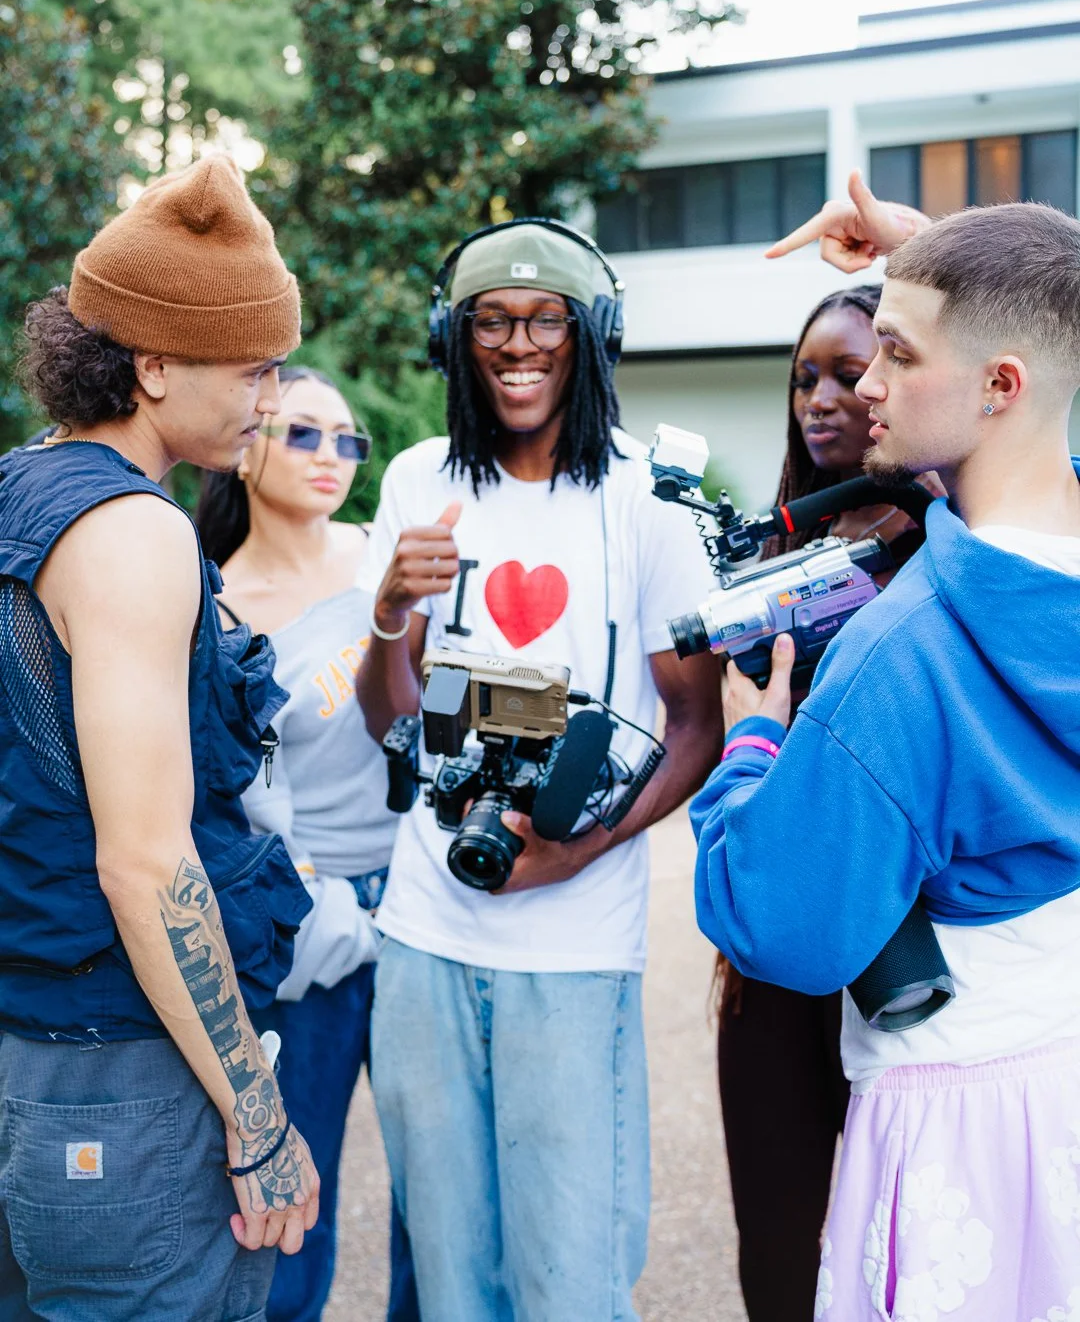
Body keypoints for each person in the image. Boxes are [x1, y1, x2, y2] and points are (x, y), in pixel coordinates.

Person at [693, 181, 1080, 1319]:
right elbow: (1049, 353)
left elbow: (783, 926)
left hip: (956, 1124)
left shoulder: (894, 659)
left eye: (897, 353)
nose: (864, 382)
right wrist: (958, 267)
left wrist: (755, 744)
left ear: (999, 385)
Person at [354, 219, 724, 1321]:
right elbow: (392, 721)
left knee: (571, 1279)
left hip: (573, 948)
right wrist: (388, 618)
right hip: (423, 929)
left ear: (594, 334)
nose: (519, 343)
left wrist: (580, 848)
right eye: (492, 322)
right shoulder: (420, 479)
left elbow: (694, 726)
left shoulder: (648, 501)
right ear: (455, 340)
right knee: (455, 1280)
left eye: (547, 318)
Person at [0, 155, 320, 1321]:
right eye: (254, 368)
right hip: (122, 1081)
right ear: (150, 367)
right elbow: (144, 859)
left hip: (31, 1053)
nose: (272, 401)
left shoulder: (17, 494)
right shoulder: (133, 535)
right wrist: (257, 1117)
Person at [715, 281, 943, 1322]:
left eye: (850, 373)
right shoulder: (768, 556)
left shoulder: (958, 552)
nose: (822, 397)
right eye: (805, 376)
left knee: (917, 1227)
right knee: (777, 1228)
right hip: (780, 956)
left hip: (920, 945)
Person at [196, 366, 419, 1322]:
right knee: (296, 1193)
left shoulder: (388, 562)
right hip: (307, 925)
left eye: (348, 440)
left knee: (436, 1196)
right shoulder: (213, 601)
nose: (334, 456)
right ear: (248, 446)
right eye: (305, 434)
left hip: (421, 902)